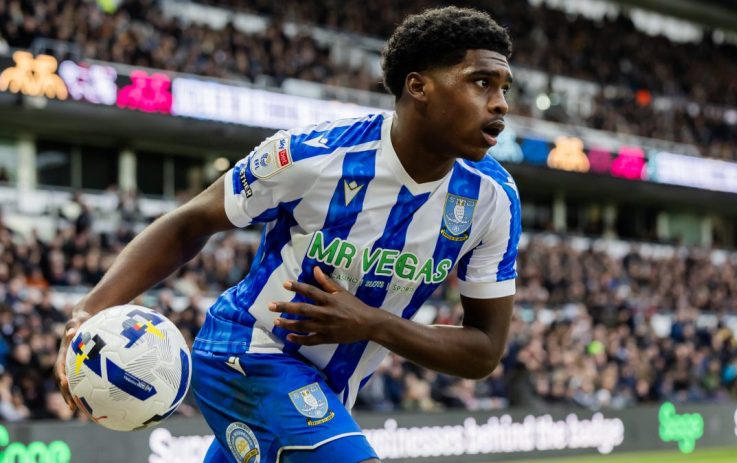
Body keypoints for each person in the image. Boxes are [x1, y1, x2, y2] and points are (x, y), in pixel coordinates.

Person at [55, 6, 520, 463]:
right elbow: (188, 224)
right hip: (247, 354)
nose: (500, 103)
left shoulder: (494, 200)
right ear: (418, 86)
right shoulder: (312, 155)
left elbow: (483, 352)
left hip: (330, 390)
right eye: (481, 82)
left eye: (503, 88)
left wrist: (374, 324)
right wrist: (88, 310)